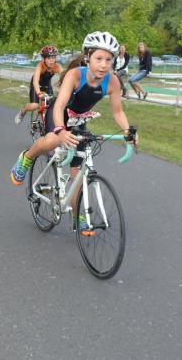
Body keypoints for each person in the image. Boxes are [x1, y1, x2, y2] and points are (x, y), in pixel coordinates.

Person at [9, 32, 137, 228]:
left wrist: (128, 131)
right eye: (99, 59)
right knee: (53, 140)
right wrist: (61, 131)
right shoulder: (75, 75)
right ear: (87, 57)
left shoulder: (112, 81)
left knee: (77, 171)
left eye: (108, 59)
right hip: (59, 113)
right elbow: (60, 106)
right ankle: (26, 158)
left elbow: (118, 112)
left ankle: (78, 215)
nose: (104, 64)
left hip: (79, 119)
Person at [13, 45, 62, 125]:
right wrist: (39, 93)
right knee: (34, 105)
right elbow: (35, 81)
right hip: (36, 86)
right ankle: (22, 111)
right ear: (44, 59)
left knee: (53, 106)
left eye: (53, 58)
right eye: (49, 58)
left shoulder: (57, 66)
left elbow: (64, 78)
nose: (51, 61)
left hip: (47, 86)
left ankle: (46, 123)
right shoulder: (40, 66)